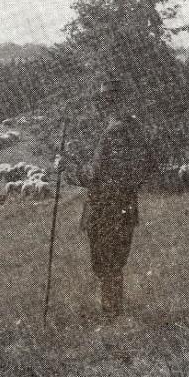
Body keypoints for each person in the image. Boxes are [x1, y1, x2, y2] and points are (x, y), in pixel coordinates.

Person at [56, 79, 153, 316]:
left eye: (106, 103)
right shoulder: (135, 128)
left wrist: (66, 168)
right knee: (115, 262)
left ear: (110, 104)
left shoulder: (115, 131)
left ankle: (111, 314)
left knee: (105, 264)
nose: (103, 108)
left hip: (105, 208)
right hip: (126, 205)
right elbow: (149, 164)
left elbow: (96, 175)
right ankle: (113, 311)